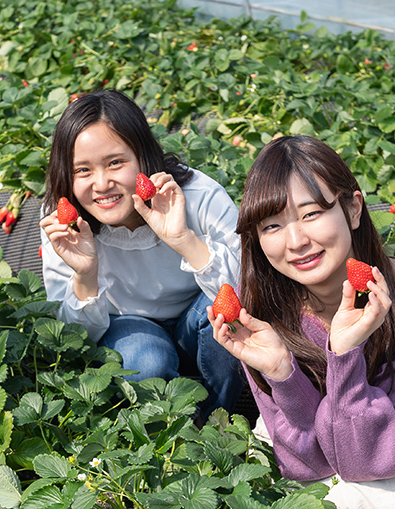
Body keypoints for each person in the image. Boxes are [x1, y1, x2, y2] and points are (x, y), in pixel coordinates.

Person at [208, 135, 395, 509]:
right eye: (272, 226)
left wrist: (346, 352)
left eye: (311, 213)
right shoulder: (268, 316)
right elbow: (305, 465)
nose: (296, 241)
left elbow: (377, 460)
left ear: (353, 209)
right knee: (320, 507)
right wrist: (282, 376)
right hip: (341, 448)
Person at [40, 89, 244, 420]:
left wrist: (181, 238)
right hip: (126, 325)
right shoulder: (62, 224)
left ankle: (219, 422)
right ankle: (170, 431)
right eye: (83, 171)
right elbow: (74, 339)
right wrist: (85, 274)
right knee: (146, 360)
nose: (102, 183)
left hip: (197, 320)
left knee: (221, 309)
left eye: (115, 162)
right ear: (66, 174)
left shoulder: (198, 197)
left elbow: (248, 294)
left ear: (143, 157)